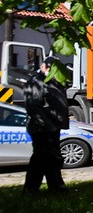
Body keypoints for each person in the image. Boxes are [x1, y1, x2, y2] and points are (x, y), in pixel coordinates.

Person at [23, 57, 69, 193]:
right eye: (50, 68)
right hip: (41, 129)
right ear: (43, 67)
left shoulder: (54, 82)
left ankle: (56, 186)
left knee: (52, 158)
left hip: (52, 127)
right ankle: (31, 189)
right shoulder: (36, 83)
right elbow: (33, 108)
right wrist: (49, 126)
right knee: (41, 158)